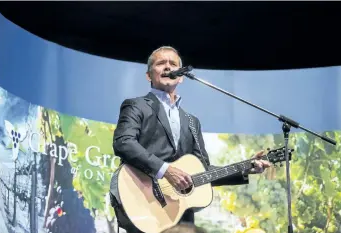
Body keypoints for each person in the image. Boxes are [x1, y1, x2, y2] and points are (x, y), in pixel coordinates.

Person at [109, 46, 271, 233]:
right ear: (148, 75)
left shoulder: (192, 122)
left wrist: (246, 167)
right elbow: (123, 142)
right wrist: (166, 170)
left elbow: (203, 171)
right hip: (142, 201)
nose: (168, 67)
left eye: (173, 64)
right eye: (161, 63)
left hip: (179, 214)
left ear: (182, 76)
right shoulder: (136, 106)